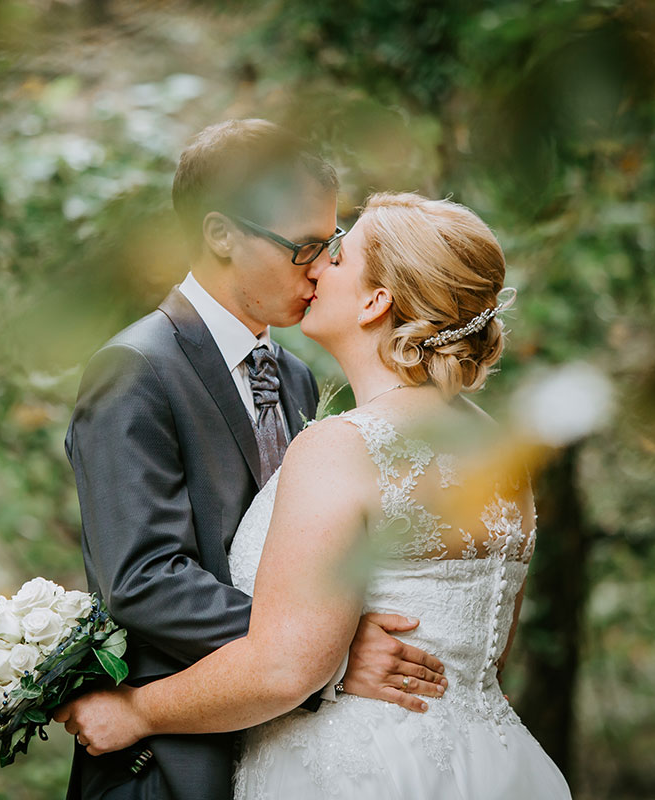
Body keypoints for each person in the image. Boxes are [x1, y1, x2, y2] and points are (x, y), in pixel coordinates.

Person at [57, 191, 573, 799]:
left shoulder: (341, 444)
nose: (316, 265)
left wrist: (137, 712)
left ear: (377, 301)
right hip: (489, 765)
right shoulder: (498, 452)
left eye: (338, 255)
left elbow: (285, 665)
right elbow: (485, 645)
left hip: (358, 770)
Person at [62, 123, 451, 800]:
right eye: (304, 246)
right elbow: (145, 577)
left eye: (330, 244)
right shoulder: (136, 369)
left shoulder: (297, 377)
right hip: (167, 765)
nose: (321, 266)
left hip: (279, 748)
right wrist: (322, 649)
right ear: (221, 235)